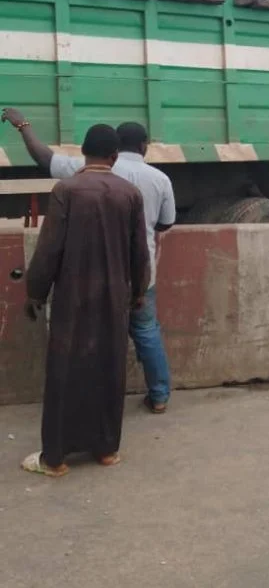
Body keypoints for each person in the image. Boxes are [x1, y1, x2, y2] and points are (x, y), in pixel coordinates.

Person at [1, 109, 176, 413]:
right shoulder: (159, 179)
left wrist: (23, 126)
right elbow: (164, 224)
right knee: (146, 332)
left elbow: (44, 158)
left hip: (92, 275)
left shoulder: (79, 174)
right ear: (144, 146)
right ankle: (159, 396)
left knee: (93, 336)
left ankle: (95, 401)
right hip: (139, 274)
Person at [22, 124, 150, 476]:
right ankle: (106, 449)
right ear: (113, 157)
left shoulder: (67, 190)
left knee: (65, 371)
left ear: (83, 151)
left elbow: (49, 251)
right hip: (114, 298)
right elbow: (140, 253)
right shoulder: (129, 193)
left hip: (72, 297)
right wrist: (138, 293)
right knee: (109, 368)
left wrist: (35, 292)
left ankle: (56, 459)